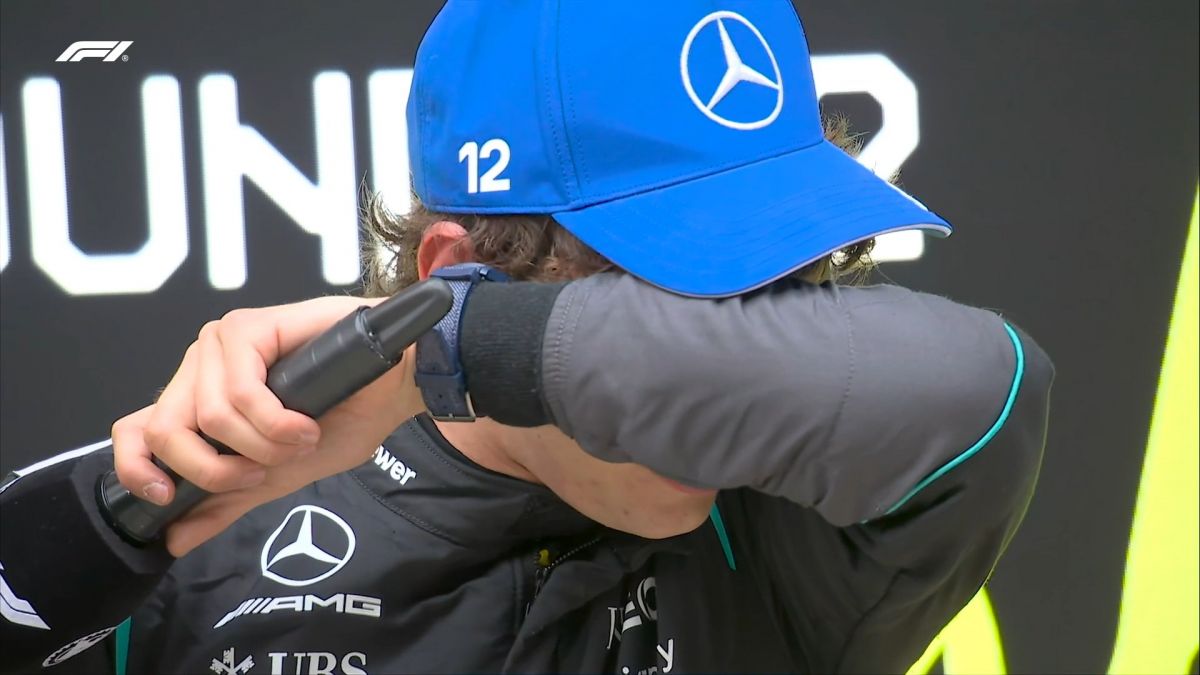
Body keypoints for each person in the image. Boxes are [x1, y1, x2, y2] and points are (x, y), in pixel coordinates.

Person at [0, 2, 1053, 673]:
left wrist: (444, 346)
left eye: (783, 279)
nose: (738, 347)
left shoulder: (793, 530)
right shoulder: (208, 522)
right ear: (456, 264)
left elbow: (986, 385)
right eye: (673, 287)